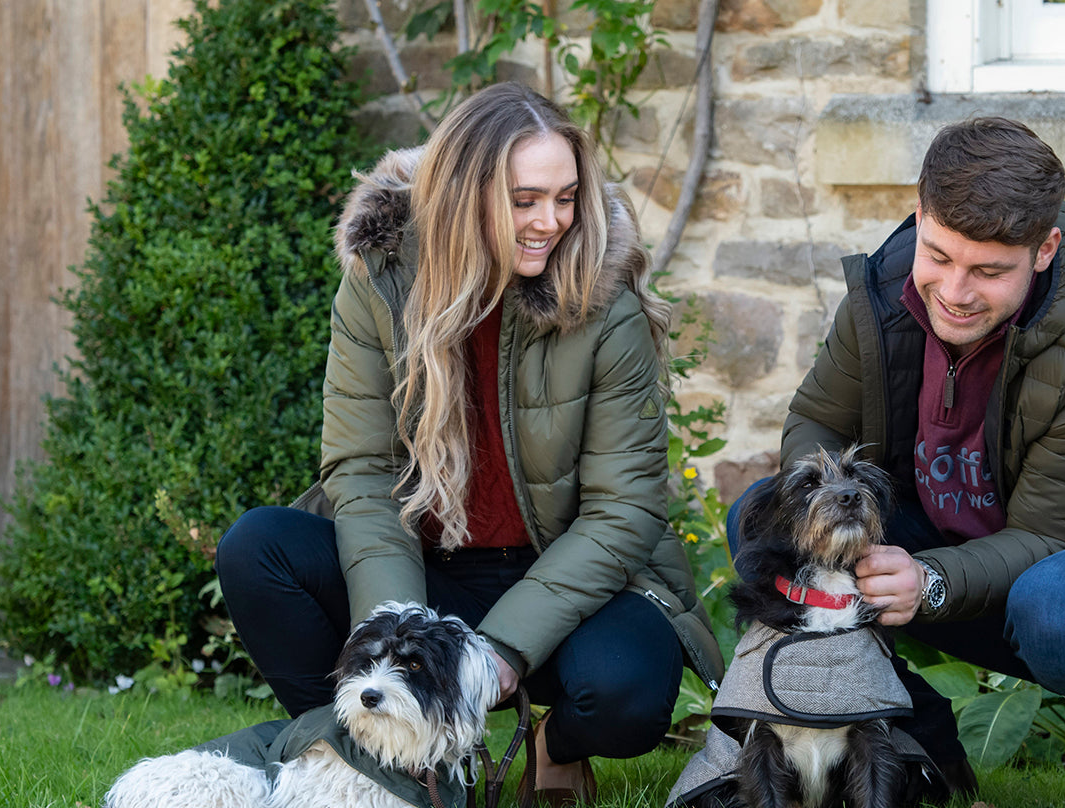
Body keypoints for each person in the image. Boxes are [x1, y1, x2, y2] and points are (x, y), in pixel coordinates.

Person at [217, 82, 721, 806]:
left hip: (565, 567)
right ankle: (378, 759)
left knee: (627, 694)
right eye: (525, 200)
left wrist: (502, 650)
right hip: (424, 566)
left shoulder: (605, 297)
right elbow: (361, 471)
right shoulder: (382, 277)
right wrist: (400, 633)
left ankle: (555, 746)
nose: (551, 222)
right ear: (463, 194)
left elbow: (624, 511)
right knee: (256, 548)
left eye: (566, 196)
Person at [727, 117, 1065, 808]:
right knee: (762, 520)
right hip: (977, 554)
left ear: (1044, 250)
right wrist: (817, 499)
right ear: (920, 217)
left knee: (1058, 605)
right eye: (939, 254)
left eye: (989, 270)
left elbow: (1050, 538)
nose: (954, 290)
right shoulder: (882, 298)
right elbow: (819, 420)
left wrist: (931, 579)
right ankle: (906, 725)